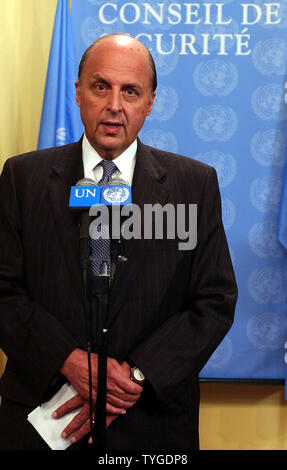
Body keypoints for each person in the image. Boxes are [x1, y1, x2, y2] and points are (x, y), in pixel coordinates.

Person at [0, 33, 237, 451]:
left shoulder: (194, 185)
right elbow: (3, 290)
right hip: (42, 418)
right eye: (100, 86)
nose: (114, 105)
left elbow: (214, 301)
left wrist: (133, 378)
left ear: (150, 102)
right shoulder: (23, 179)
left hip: (151, 422)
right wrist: (68, 361)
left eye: (130, 91)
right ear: (78, 92)